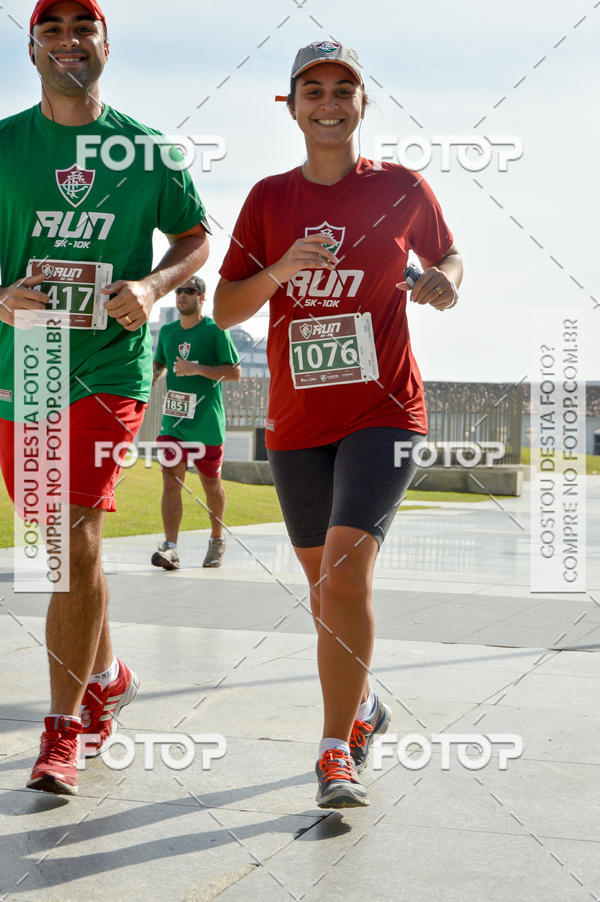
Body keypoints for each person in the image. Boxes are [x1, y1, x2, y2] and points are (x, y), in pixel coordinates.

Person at [214, 40, 463, 808]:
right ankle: (362, 705)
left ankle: (333, 750)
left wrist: (442, 288)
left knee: (346, 574)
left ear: (362, 103)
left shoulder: (400, 187)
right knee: (326, 596)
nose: (329, 102)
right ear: (290, 106)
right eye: (312, 89)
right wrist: (283, 268)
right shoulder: (266, 199)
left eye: (343, 89)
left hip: (384, 410)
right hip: (297, 423)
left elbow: (449, 259)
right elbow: (226, 309)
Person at [0, 0, 210, 795]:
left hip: (108, 367)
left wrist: (153, 285)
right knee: (60, 549)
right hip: (23, 365)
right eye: (50, 30)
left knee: (74, 533)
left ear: (105, 45)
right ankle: (110, 675)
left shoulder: (146, 149)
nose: (67, 42)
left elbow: (195, 235)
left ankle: (62, 734)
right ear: (31, 48)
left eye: (80, 28)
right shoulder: (5, 145)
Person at [151, 275, 241, 570]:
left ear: (202, 298)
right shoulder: (166, 332)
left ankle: (217, 540)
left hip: (206, 425)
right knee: (170, 482)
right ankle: (171, 547)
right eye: (179, 291)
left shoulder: (215, 331)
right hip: (173, 423)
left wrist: (196, 369)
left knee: (211, 485)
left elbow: (234, 372)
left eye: (190, 291)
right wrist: (142, 386)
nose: (182, 296)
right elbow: (159, 366)